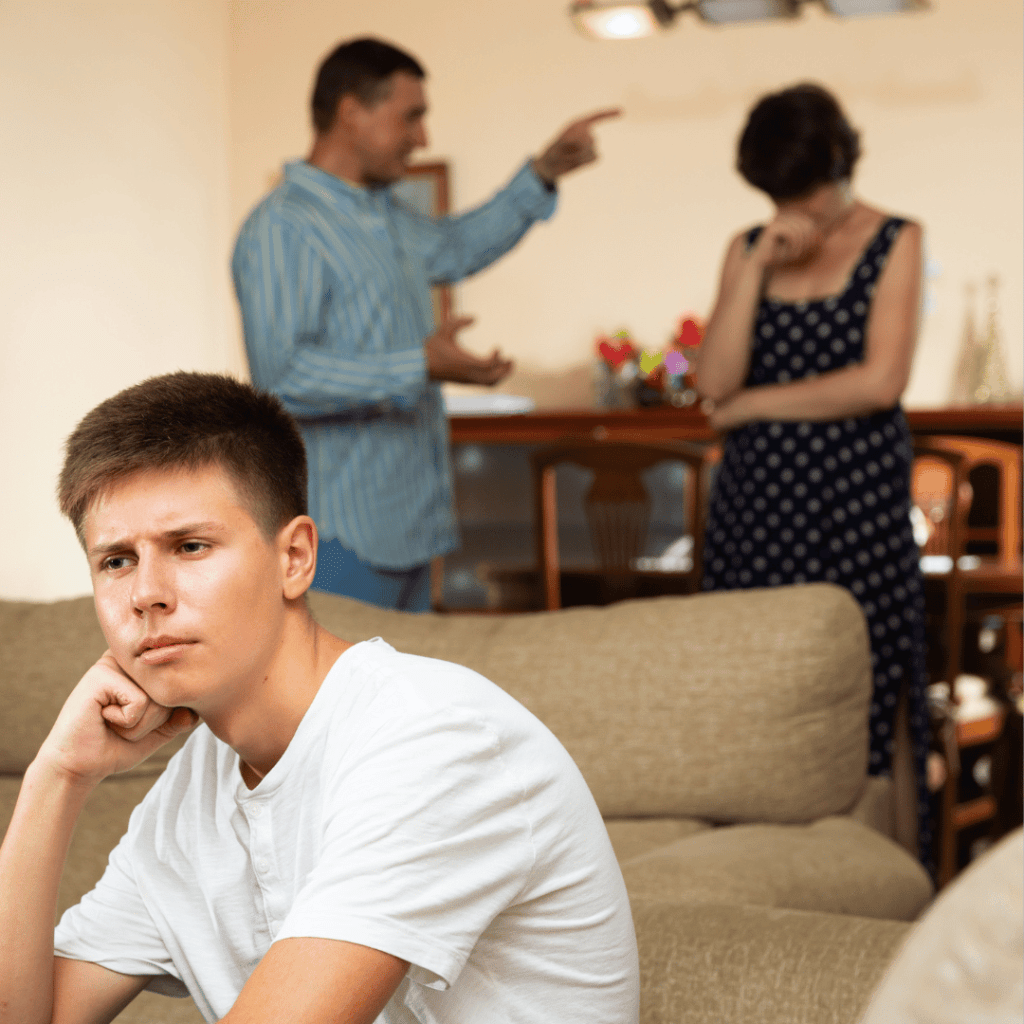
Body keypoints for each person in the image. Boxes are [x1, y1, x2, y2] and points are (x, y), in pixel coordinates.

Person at [0, 372, 639, 1023]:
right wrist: (57, 775)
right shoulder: (191, 797)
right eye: (116, 561)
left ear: (296, 558)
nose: (146, 593)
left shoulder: (431, 739)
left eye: (190, 546)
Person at [232, 37, 619, 612]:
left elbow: (456, 245)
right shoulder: (284, 227)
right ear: (350, 110)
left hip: (411, 532)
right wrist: (421, 363)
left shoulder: (384, 214)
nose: (423, 138)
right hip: (338, 540)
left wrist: (543, 171)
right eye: (410, 117)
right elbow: (283, 379)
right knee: (345, 701)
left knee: (399, 702)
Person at [696, 83, 933, 868]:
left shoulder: (896, 238)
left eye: (812, 195)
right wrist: (759, 262)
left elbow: (878, 383)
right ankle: (756, 864)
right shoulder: (746, 247)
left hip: (855, 495)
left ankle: (885, 874)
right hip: (757, 501)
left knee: (871, 677)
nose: (806, 212)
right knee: (750, 678)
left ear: (840, 164)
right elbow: (715, 382)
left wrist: (757, 404)